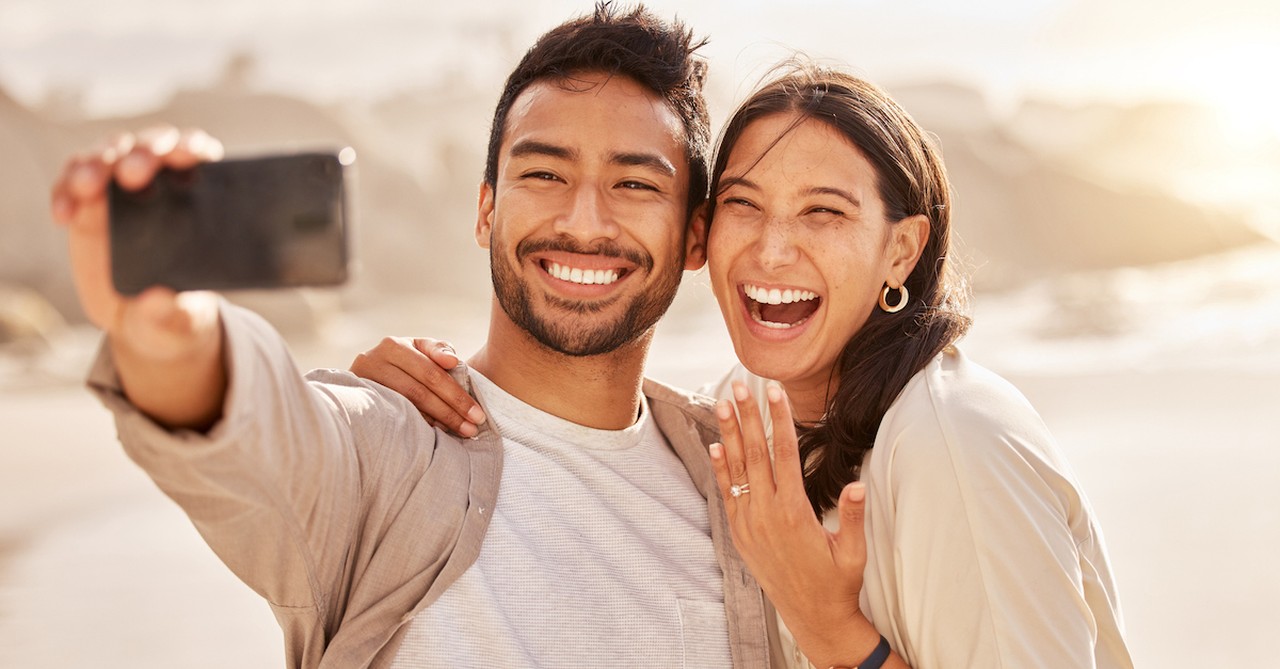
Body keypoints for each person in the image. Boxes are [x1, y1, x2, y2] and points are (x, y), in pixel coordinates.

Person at [48, 5, 801, 667]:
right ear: (485, 211)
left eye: (635, 184)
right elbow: (252, 429)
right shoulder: (388, 449)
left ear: (694, 236)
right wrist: (168, 330)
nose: (584, 221)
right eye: (544, 174)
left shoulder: (748, 487)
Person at [352, 64, 1135, 668]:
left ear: (902, 247)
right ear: (701, 233)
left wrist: (837, 633)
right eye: (744, 204)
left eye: (823, 211)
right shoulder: (750, 413)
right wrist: (424, 391)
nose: (770, 249)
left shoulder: (957, 445)